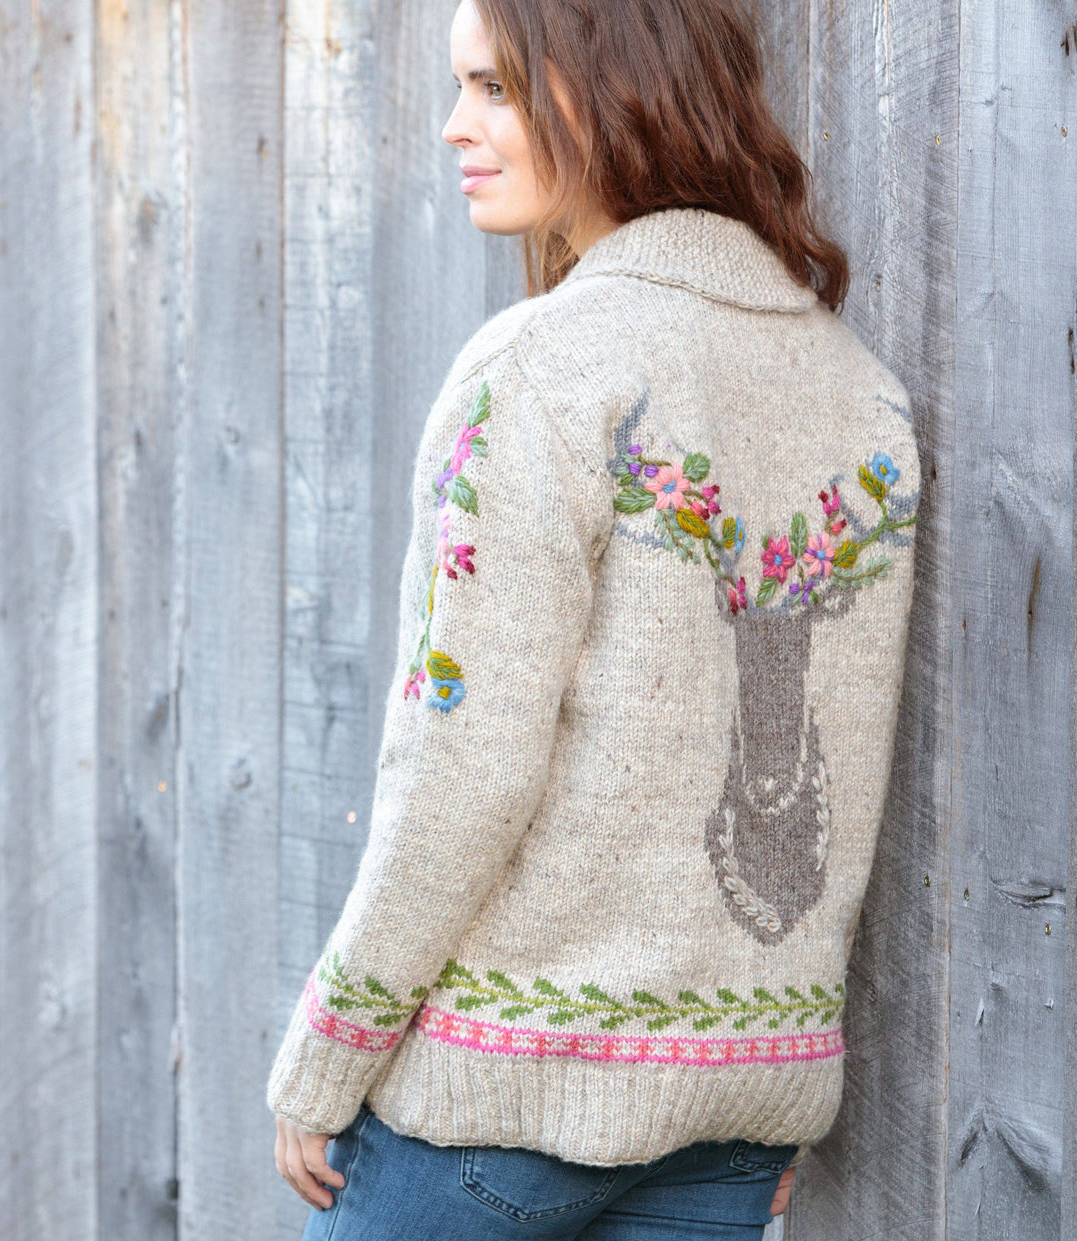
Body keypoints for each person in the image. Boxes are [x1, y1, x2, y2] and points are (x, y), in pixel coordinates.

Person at [268, 0, 921, 1237]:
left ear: (611, 84)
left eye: (495, 87)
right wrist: (766, 1076)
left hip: (493, 1114)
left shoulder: (544, 368)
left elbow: (462, 761)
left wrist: (331, 1045)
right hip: (732, 1129)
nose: (455, 125)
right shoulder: (862, 396)